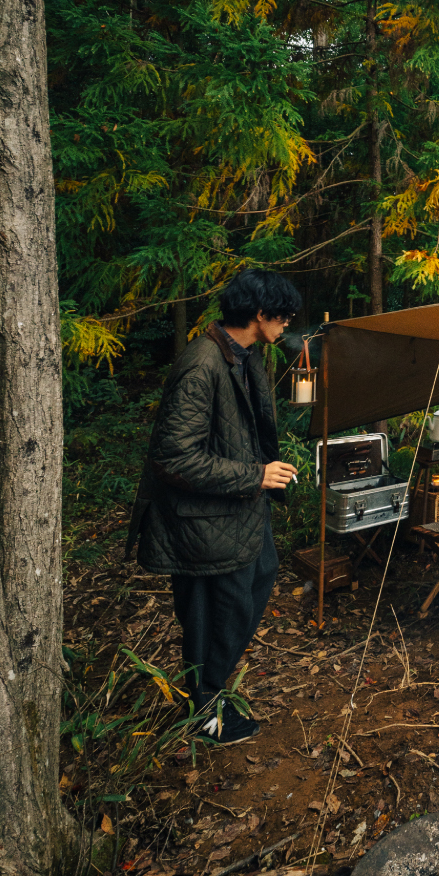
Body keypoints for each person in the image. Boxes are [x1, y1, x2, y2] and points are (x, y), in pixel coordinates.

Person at [126, 269, 303, 744]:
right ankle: (205, 712)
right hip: (202, 523)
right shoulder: (202, 363)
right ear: (260, 314)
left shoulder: (243, 356)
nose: (287, 324)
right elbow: (173, 456)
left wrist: (263, 471)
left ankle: (213, 692)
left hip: (239, 511)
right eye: (283, 315)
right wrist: (254, 475)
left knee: (258, 580)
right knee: (212, 616)